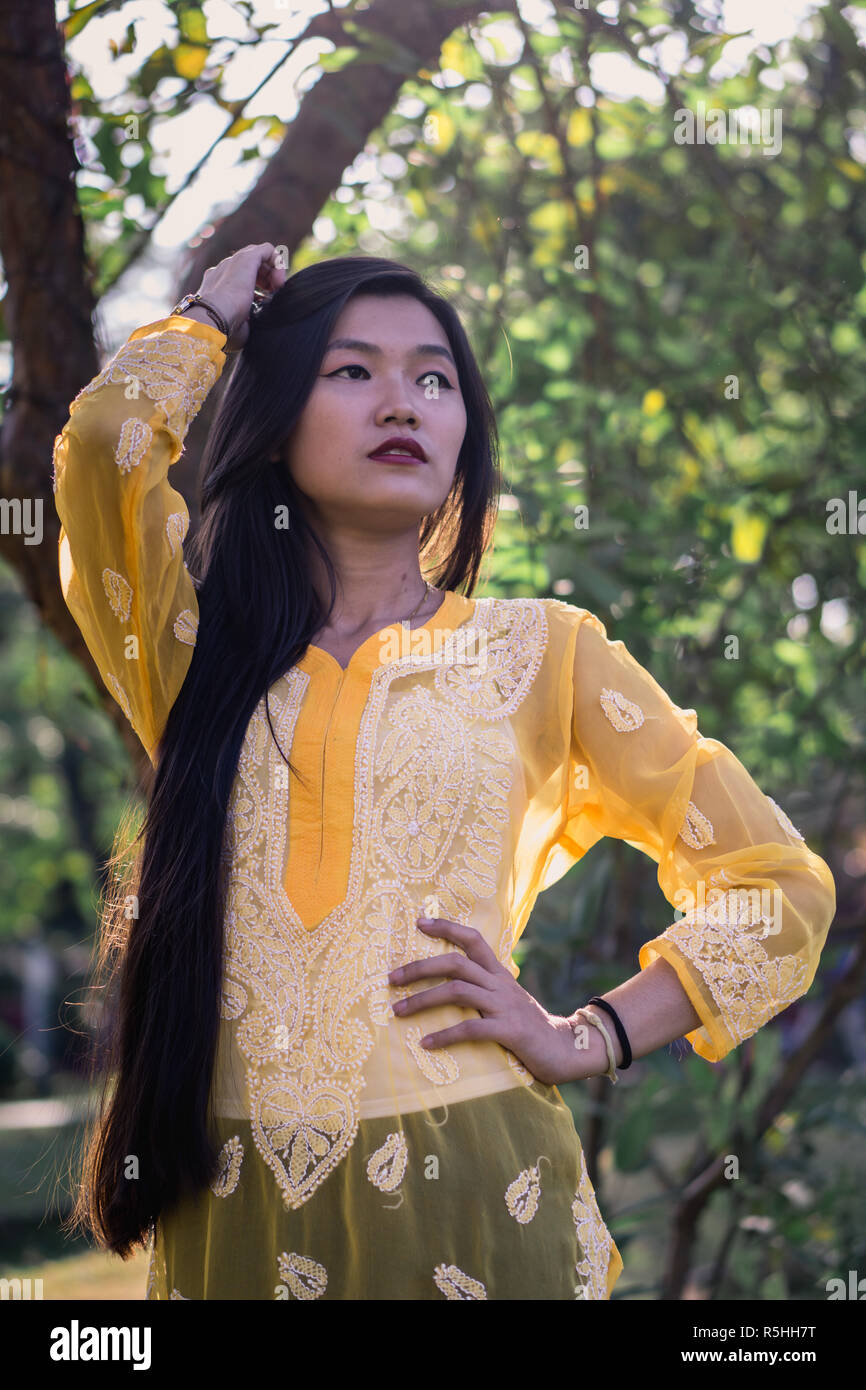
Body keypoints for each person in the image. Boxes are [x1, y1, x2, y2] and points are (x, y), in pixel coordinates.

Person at [53, 243, 836, 1301]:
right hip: (229, 1208)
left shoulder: (545, 653)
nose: (402, 402)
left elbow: (776, 882)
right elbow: (103, 448)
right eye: (350, 370)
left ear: (465, 433)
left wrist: (587, 1033)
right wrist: (210, 315)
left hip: (477, 1190)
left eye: (433, 378)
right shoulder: (190, 652)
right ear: (277, 413)